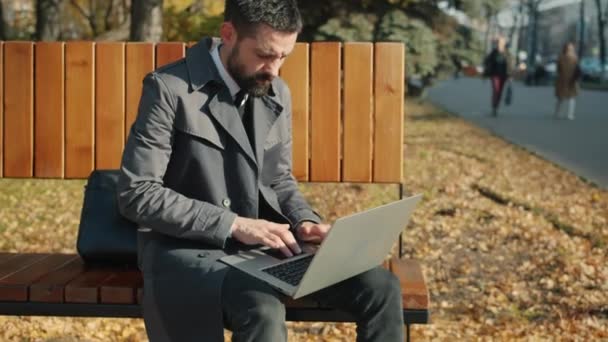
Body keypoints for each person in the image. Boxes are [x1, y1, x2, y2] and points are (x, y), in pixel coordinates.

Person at [116, 0, 404, 341]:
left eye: (284, 56)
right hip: (190, 251)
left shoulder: (275, 89)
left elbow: (279, 179)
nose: (275, 69)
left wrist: (303, 221)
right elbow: (138, 193)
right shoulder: (168, 89)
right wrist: (234, 225)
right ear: (228, 34)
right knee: (262, 309)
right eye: (266, 54)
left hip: (266, 249)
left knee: (381, 287)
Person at [483, 36, 513, 116]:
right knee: (496, 90)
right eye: (498, 42)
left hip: (503, 76)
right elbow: (487, 61)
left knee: (500, 92)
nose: (499, 44)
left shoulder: (507, 53)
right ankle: (494, 107)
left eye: (501, 43)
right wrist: (486, 71)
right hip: (495, 75)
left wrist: (510, 76)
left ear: (504, 44)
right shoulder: (494, 52)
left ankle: (496, 107)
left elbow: (510, 66)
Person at [554, 42, 580, 120]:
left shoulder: (574, 58)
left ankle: (570, 114)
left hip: (571, 80)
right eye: (569, 48)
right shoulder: (562, 57)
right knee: (561, 98)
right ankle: (558, 112)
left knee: (571, 97)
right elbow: (558, 68)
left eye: (571, 48)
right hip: (563, 79)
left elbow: (577, 69)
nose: (570, 50)